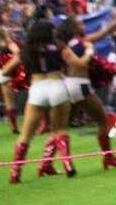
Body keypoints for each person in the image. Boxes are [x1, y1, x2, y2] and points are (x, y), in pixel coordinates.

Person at [10, 18, 72, 184]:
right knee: (60, 130)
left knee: (25, 135)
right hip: (57, 86)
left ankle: (15, 173)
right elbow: (71, 63)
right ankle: (67, 164)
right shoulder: (59, 47)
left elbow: (6, 70)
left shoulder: (26, 50)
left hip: (37, 89)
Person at [59, 17, 116, 169]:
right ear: (74, 28)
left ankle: (46, 163)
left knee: (62, 127)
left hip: (68, 86)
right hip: (80, 86)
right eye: (80, 24)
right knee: (103, 120)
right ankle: (108, 157)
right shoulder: (83, 41)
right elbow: (105, 31)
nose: (84, 26)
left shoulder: (66, 45)